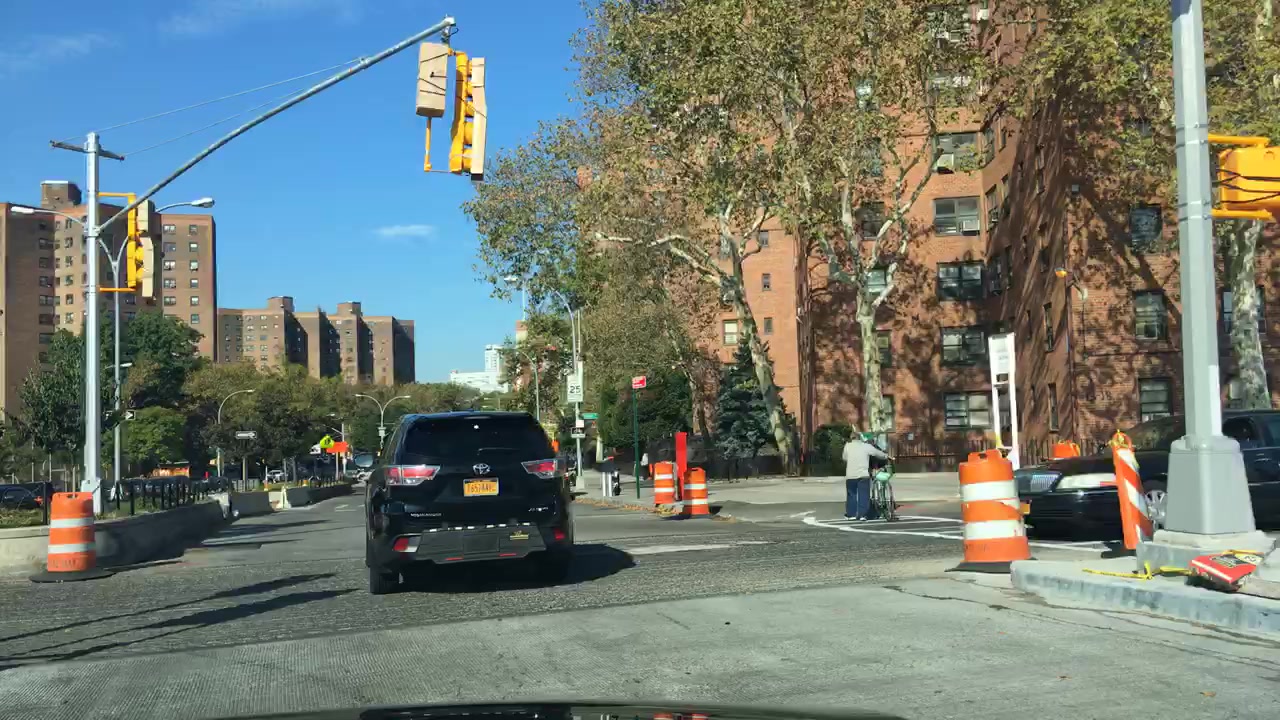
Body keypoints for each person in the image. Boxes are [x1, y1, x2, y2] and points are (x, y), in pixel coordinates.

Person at [842, 430, 891, 521]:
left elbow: (844, 458)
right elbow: (878, 453)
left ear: (851, 438)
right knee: (864, 495)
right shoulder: (866, 446)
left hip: (851, 475)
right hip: (863, 474)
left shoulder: (847, 446)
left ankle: (851, 514)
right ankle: (863, 515)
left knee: (851, 495)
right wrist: (886, 456)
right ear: (860, 438)